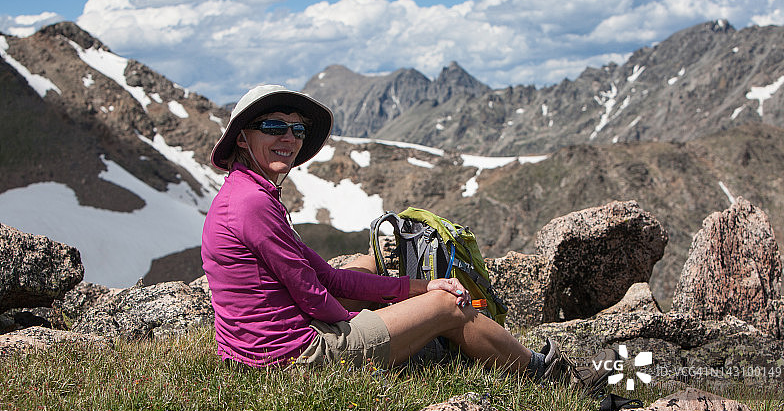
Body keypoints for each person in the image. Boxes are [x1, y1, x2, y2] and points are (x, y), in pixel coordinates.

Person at [201, 84, 615, 390]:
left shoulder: (244, 193)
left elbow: (329, 278)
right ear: (243, 136)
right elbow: (314, 297)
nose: (288, 138)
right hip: (292, 361)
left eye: (297, 129)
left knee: (369, 270)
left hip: (254, 354)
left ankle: (454, 338)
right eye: (274, 126)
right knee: (448, 306)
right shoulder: (254, 205)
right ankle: (555, 380)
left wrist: (419, 286)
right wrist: (388, 321)